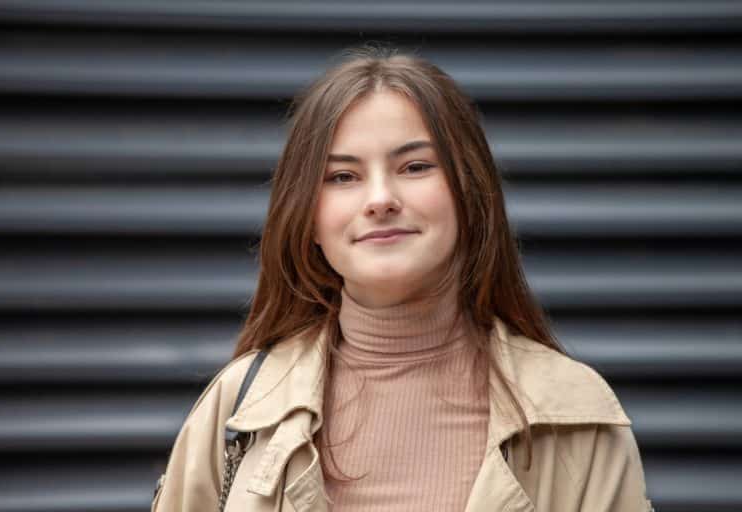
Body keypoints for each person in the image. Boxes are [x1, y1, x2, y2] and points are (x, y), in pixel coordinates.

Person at [151, 44, 654, 512]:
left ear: (470, 195)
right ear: (308, 219)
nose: (380, 198)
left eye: (414, 167)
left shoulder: (577, 418)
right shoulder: (240, 408)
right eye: (342, 176)